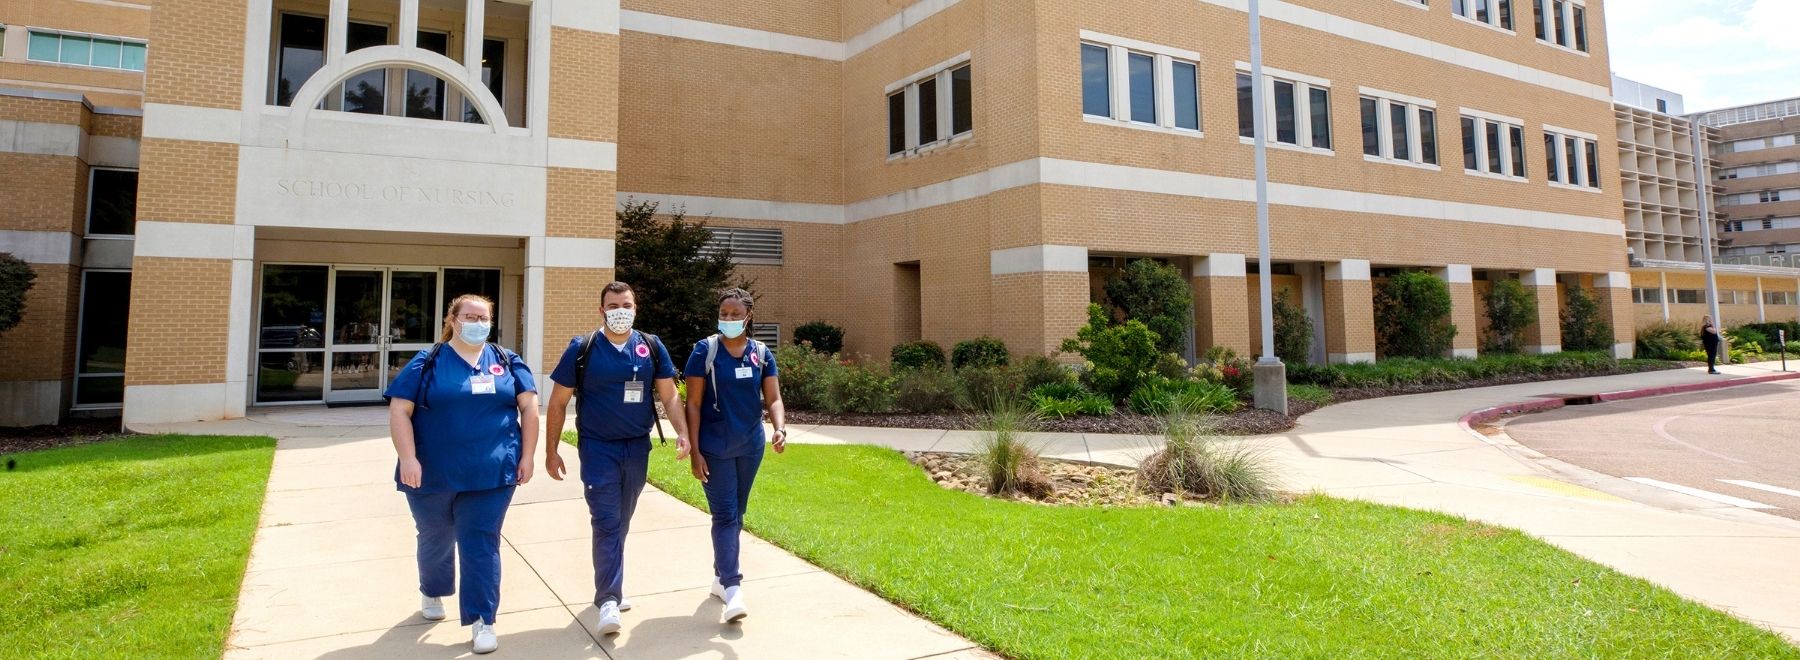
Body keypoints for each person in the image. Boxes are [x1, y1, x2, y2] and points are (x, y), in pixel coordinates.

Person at [386, 294, 539, 655]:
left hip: (492, 471)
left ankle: (483, 619)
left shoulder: (506, 360)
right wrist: (408, 458)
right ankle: (432, 589)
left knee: (480, 541)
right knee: (435, 535)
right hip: (431, 472)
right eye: (469, 316)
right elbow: (399, 411)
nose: (477, 322)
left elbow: (530, 408)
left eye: (483, 317)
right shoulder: (428, 361)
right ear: (453, 320)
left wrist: (528, 456)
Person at [543, 282, 691, 636]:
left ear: (636, 308)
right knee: (607, 520)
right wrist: (551, 450)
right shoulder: (583, 348)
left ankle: (612, 583)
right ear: (602, 311)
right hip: (598, 448)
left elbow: (670, 396)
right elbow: (558, 402)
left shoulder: (650, 347)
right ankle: (608, 599)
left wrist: (682, 432)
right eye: (613, 305)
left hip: (637, 447)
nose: (620, 310)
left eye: (626, 304)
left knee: (621, 520)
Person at [684, 287, 787, 624]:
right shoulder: (705, 351)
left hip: (751, 446)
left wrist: (779, 428)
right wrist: (695, 452)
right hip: (715, 448)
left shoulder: (760, 353)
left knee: (736, 514)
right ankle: (733, 588)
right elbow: (693, 403)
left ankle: (718, 578)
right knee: (726, 516)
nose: (728, 319)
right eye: (723, 314)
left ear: (748, 316)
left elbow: (772, 398)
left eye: (734, 314)